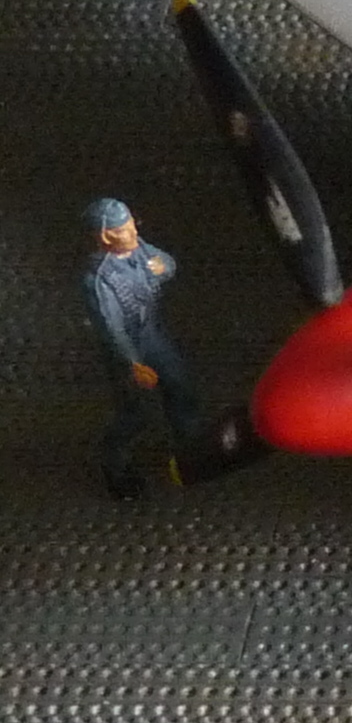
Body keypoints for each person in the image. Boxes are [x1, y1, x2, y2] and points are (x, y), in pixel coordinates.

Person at [81, 198, 204, 498]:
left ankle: (191, 448)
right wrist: (132, 363)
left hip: (152, 335)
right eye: (124, 229)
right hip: (127, 350)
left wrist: (164, 267)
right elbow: (111, 327)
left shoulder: (140, 249)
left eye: (131, 224)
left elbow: (167, 263)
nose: (134, 232)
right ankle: (116, 467)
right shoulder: (99, 280)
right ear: (106, 236)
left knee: (181, 387)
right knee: (135, 414)